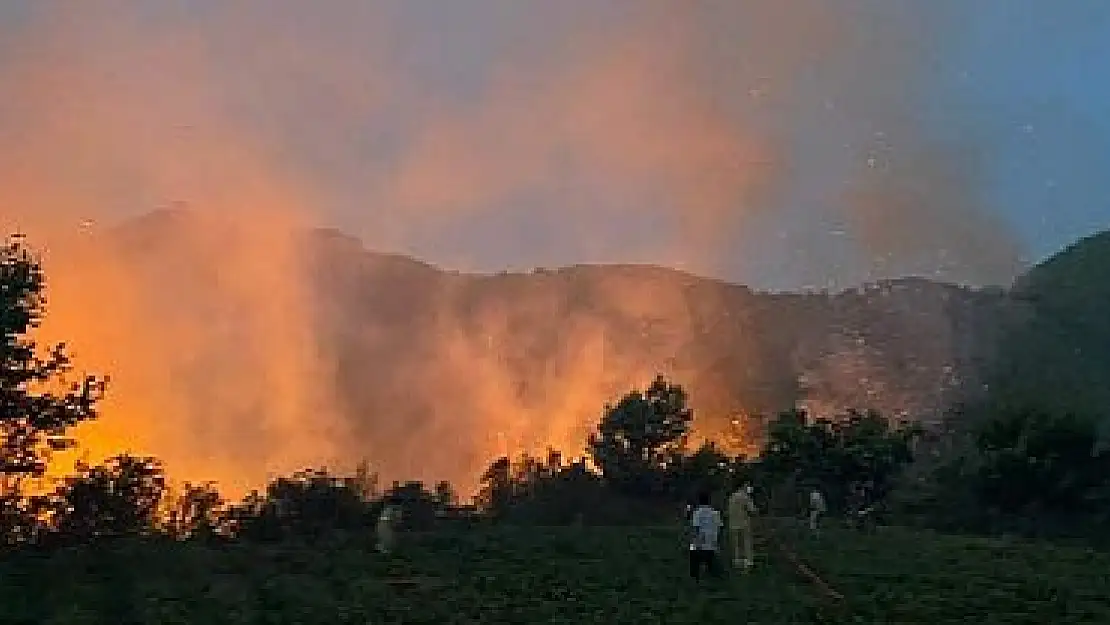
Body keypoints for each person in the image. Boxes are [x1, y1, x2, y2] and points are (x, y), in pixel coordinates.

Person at [687, 491, 723, 581]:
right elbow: (719, 527)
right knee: (710, 559)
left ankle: (695, 575)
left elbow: (696, 528)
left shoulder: (697, 513)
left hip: (701, 540)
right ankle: (712, 574)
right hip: (712, 541)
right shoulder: (715, 513)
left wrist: (694, 542)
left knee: (694, 557)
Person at [727, 482, 759, 569]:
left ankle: (737, 561)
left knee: (736, 544)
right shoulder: (745, 497)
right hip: (744, 523)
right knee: (746, 542)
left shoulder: (732, 497)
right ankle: (748, 562)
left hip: (733, 523)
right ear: (743, 486)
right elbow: (752, 510)